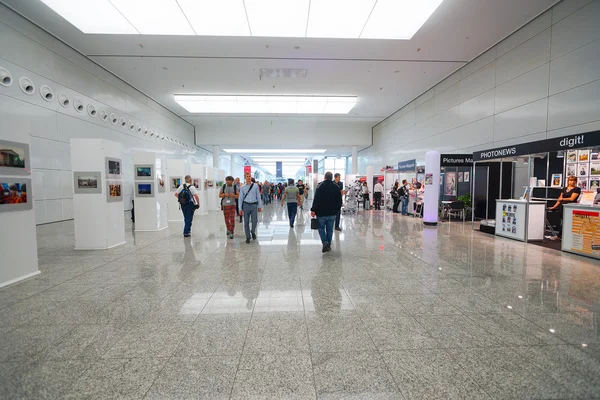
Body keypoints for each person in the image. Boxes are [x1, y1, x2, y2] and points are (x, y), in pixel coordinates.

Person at [311, 172, 343, 253]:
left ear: (324, 177)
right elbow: (339, 201)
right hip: (332, 213)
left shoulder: (320, 186)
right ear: (332, 177)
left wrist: (313, 209)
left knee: (321, 228)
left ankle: (325, 243)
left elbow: (316, 199)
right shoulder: (336, 186)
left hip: (321, 213)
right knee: (330, 229)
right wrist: (336, 210)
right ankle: (327, 244)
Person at [547, 175, 581, 240]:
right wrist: (554, 207)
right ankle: (560, 236)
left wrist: (562, 199)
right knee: (564, 221)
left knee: (568, 222)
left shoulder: (577, 189)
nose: (572, 182)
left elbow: (572, 199)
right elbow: (559, 199)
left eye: (574, 180)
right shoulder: (564, 189)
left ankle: (559, 236)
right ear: (568, 181)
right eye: (571, 180)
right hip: (562, 207)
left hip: (570, 207)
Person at [239, 173, 262, 243]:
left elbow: (258, 195)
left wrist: (259, 206)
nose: (248, 178)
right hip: (246, 205)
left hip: (254, 205)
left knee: (255, 221)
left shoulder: (255, 186)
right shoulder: (242, 187)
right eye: (247, 176)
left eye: (249, 176)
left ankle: (253, 231)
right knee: (246, 222)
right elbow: (240, 198)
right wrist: (240, 208)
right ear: (245, 178)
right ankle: (248, 237)